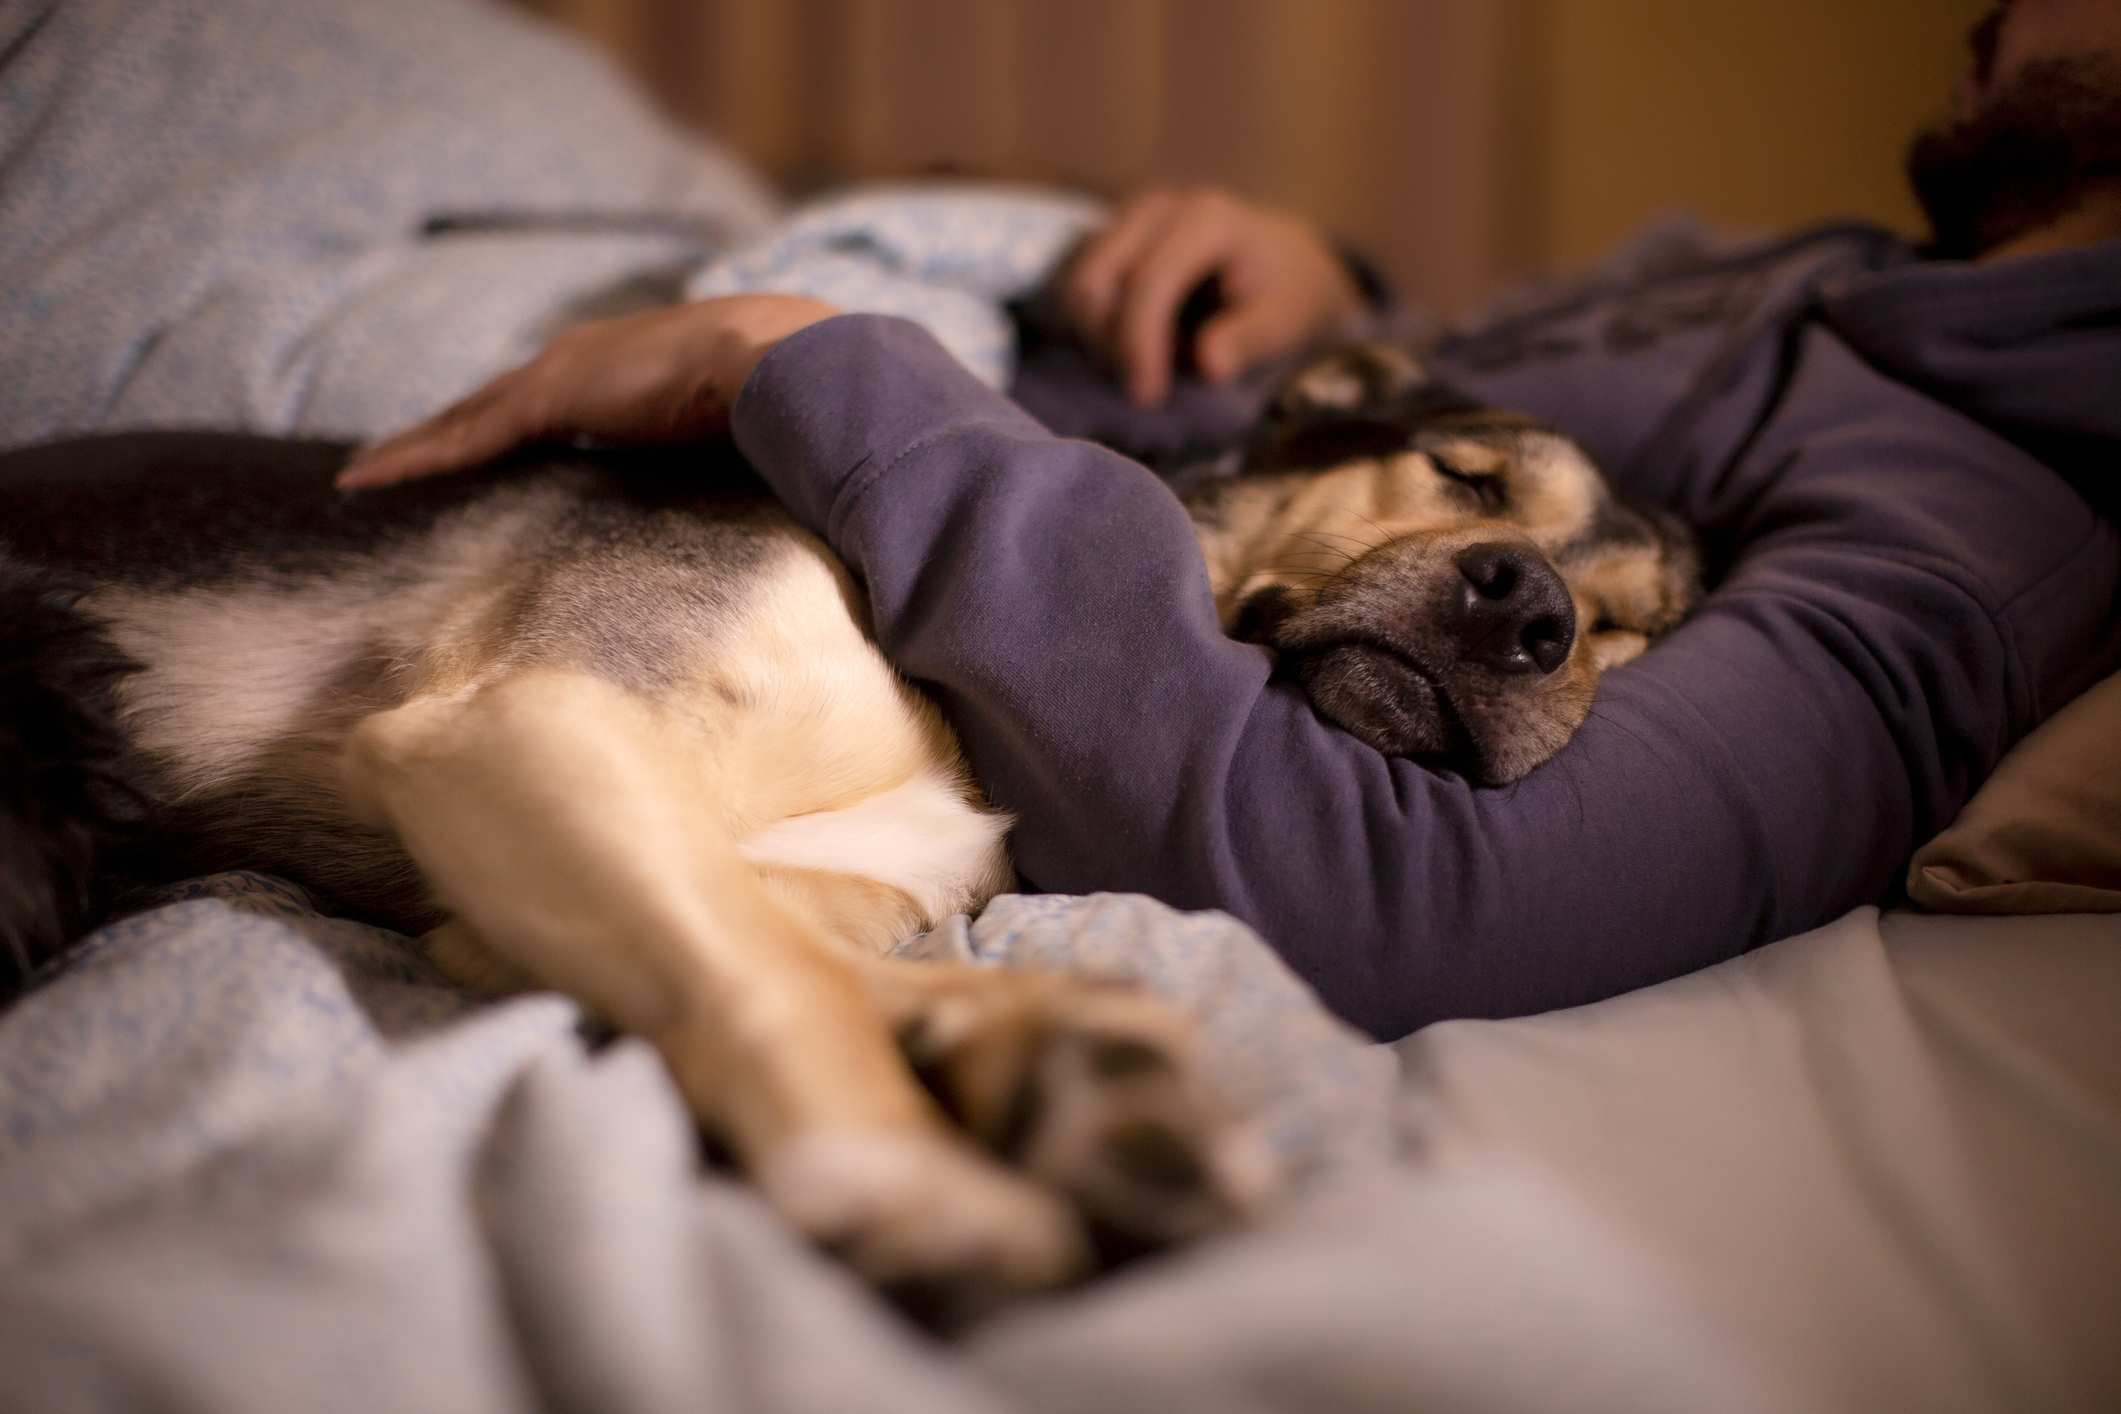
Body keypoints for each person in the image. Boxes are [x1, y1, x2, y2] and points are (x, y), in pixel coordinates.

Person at [24, 0, 2121, 1039]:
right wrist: (1321, 299)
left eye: (1597, 612)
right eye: (1499, 513)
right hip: (900, 381)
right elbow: (1332, 455)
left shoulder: (1982, 522)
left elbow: (1407, 894)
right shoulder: (1823, 266)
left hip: (793, 439)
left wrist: (804, 360)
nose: (1536, 599)